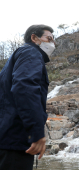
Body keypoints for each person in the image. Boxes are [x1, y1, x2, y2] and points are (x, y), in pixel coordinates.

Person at [0, 25, 55, 170]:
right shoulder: (30, 52)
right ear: (34, 37)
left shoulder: (18, 56)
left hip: (7, 137)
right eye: (48, 38)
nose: (52, 43)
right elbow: (25, 89)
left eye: (53, 40)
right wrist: (36, 132)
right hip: (16, 140)